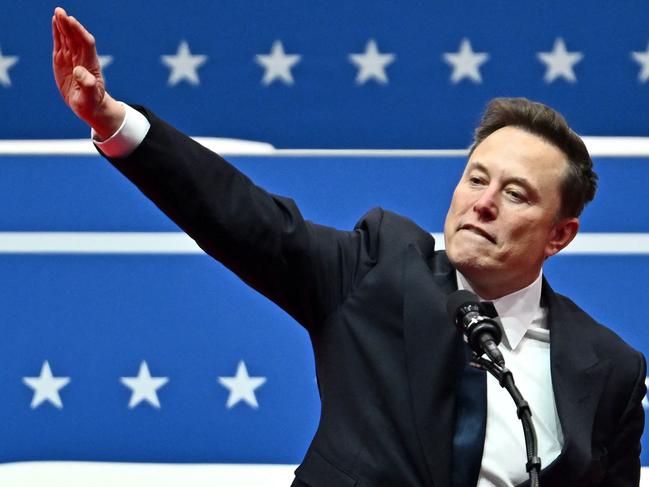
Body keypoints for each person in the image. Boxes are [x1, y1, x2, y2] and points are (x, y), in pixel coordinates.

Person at [52, 7, 646, 487]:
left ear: (559, 235)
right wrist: (110, 120)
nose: (482, 203)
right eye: (475, 177)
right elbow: (242, 217)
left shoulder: (611, 369)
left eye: (515, 193)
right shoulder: (377, 270)